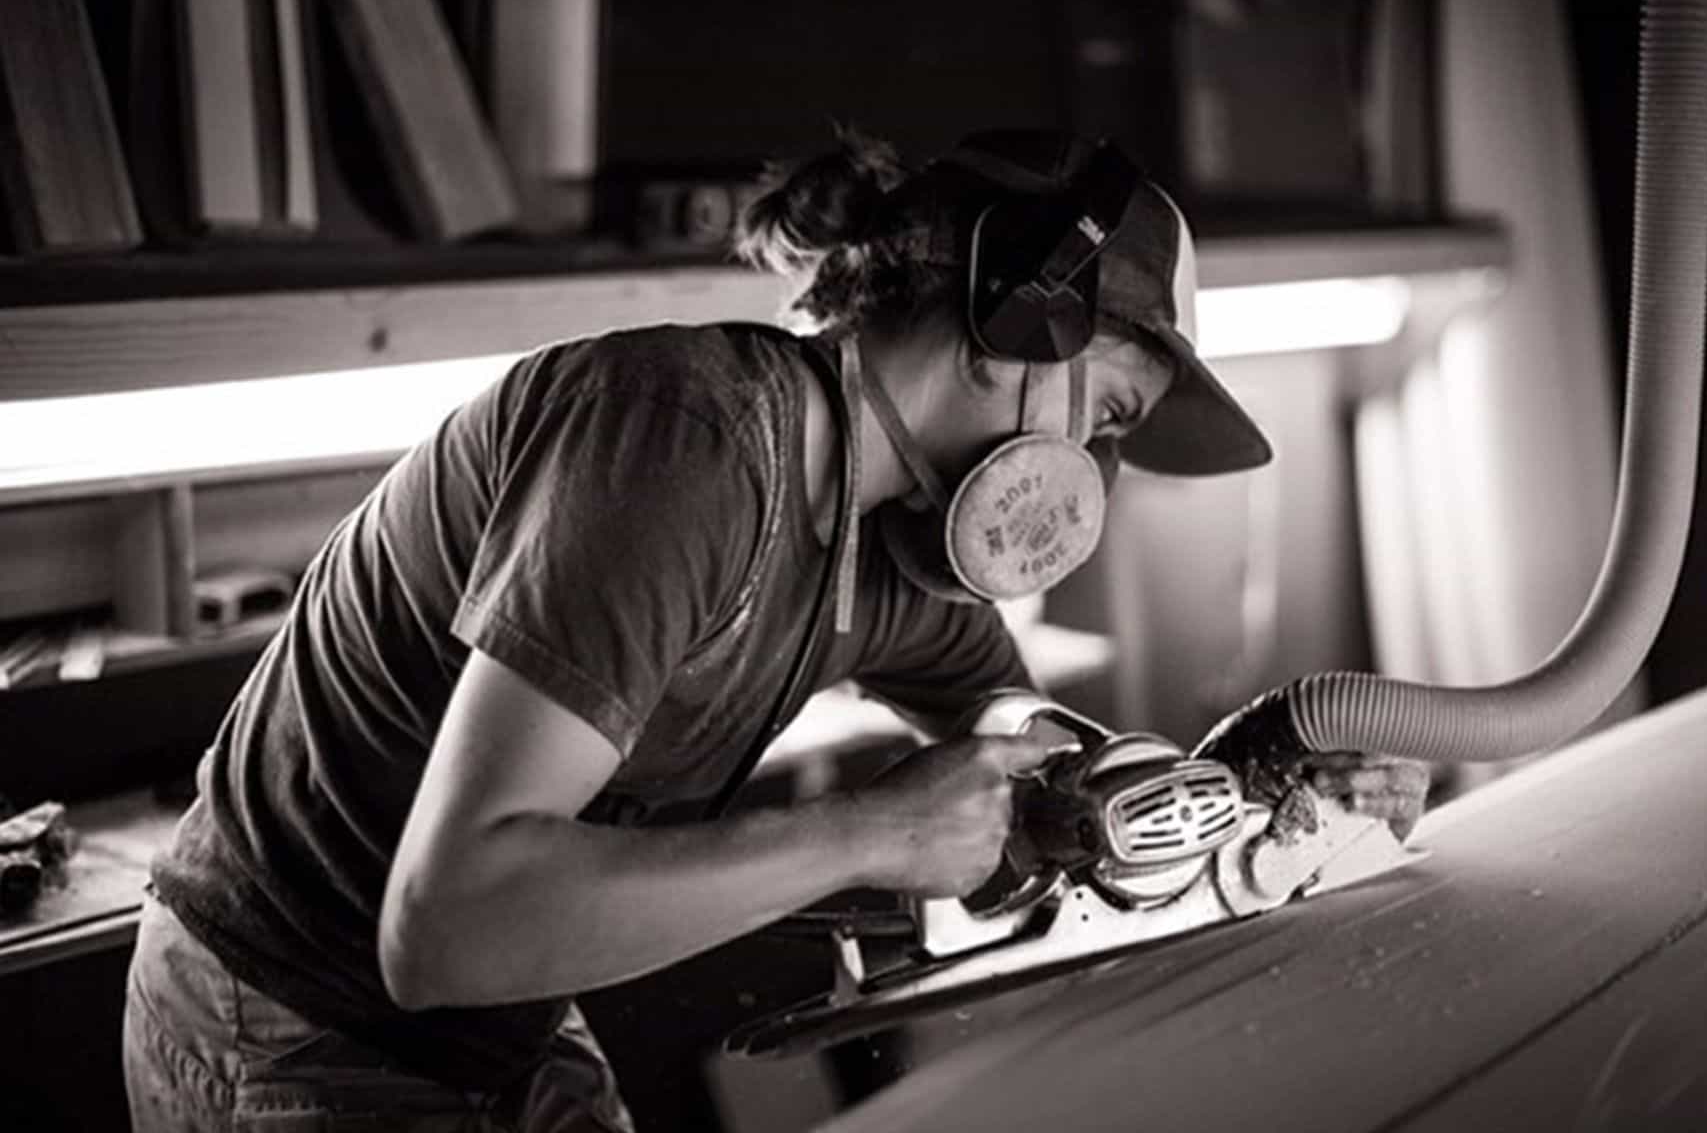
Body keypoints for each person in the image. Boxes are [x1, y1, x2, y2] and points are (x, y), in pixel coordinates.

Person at [122, 129, 1428, 1131]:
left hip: (499, 1017)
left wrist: (1251, 791)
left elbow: (1030, 750)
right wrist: (874, 833)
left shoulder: (908, 540)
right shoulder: (684, 443)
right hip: (280, 1011)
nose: (1098, 466)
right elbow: (448, 924)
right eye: (1112, 417)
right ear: (1024, 316)